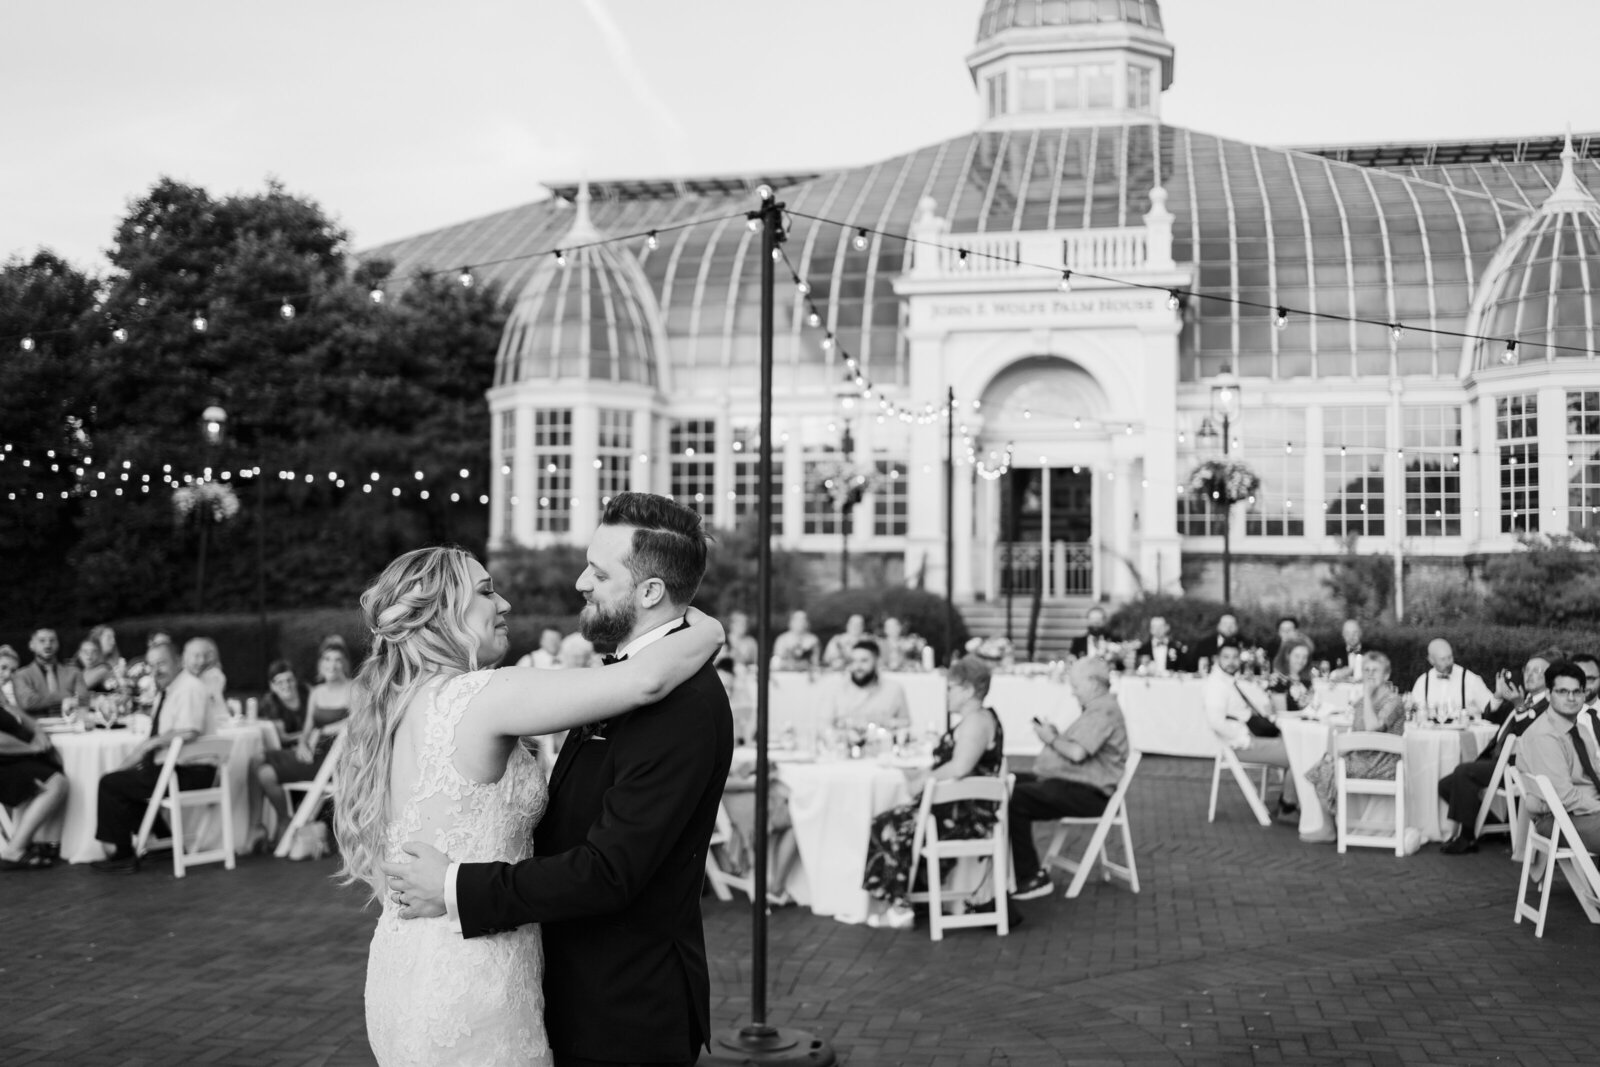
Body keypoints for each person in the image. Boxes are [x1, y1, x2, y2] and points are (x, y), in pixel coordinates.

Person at [377, 493, 734, 1066]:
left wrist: (454, 886)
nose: (578, 583)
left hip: (622, 1004)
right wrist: (706, 628)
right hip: (500, 974)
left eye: (598, 570)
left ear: (649, 592)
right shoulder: (526, 691)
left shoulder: (681, 702)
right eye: (488, 591)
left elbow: (611, 871)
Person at [863, 655, 1003, 926]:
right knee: (895, 820)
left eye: (951, 688)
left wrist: (923, 780)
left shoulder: (976, 722)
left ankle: (899, 905)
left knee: (887, 824)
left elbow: (960, 767)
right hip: (959, 806)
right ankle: (912, 897)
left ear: (969, 690)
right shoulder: (977, 719)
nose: (946, 694)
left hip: (966, 813)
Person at [90, 639, 224, 872]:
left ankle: (121, 855)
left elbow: (189, 730)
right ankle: (164, 844)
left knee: (110, 785)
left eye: (162, 663)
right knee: (123, 780)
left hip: (191, 771)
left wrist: (151, 744)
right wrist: (131, 761)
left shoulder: (189, 688)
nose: (156, 670)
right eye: (151, 666)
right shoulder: (170, 691)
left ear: (178, 661)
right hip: (175, 768)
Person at [1011, 656, 1129, 900]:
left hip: (1089, 792)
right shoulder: (1098, 709)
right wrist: (1055, 736)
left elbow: (1076, 753)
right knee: (1008, 783)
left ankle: (1030, 877)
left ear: (1093, 684)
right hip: (1076, 783)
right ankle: (1013, 872)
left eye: (1076, 686)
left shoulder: (1103, 711)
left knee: (1015, 799)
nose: (1073, 693)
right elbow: (1077, 748)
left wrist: (1050, 739)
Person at [1437, 650, 1555, 855]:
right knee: (1445, 785)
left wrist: (1519, 706)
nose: (1529, 674)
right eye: (1527, 669)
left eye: (1537, 670)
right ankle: (1495, 826)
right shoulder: (1523, 699)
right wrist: (1499, 697)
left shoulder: (1548, 704)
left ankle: (1467, 837)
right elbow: (1490, 718)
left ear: (1550, 677)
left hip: (1516, 767)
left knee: (1463, 773)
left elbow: (1529, 735)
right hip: (1498, 760)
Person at [254, 637, 354, 849]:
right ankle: (284, 818)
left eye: (337, 660)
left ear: (344, 663)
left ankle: (280, 824)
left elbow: (359, 720)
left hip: (335, 761)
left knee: (262, 762)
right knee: (263, 770)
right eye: (327, 659)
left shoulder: (355, 688)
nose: (332, 665)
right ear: (321, 664)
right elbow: (307, 730)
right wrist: (302, 746)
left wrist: (326, 729)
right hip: (314, 755)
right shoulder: (316, 692)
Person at [1303, 651, 1405, 821]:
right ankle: (1338, 820)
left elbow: (1372, 727)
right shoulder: (1361, 702)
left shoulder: (1393, 701)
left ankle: (1335, 822)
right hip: (1363, 759)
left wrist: (1366, 695)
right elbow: (1356, 733)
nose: (1370, 674)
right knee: (1323, 765)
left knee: (1324, 769)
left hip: (1384, 763)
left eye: (1375, 670)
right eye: (1366, 670)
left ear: (1386, 674)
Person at [1204, 638, 1299, 818]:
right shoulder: (1216, 686)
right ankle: (1288, 807)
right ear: (1217, 659)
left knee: (1298, 744)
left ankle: (1291, 801)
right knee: (1299, 752)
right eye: (1226, 657)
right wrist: (1243, 738)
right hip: (1241, 744)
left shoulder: (1231, 681)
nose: (1231, 662)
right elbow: (1216, 722)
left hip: (1251, 737)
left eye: (1234, 657)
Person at [1518, 660, 1600, 853]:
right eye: (1562, 691)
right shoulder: (1545, 736)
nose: (1571, 698)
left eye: (1577, 691)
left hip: (1583, 812)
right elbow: (1565, 798)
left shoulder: (1580, 730)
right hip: (1557, 820)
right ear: (1548, 694)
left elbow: (1595, 773)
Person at [0, 645, 68, 870]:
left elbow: (17, 714)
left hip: (12, 759)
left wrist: (38, 731)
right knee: (56, 784)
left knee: (54, 767)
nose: (7, 675)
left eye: (11, 670)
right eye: (3, 668)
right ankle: (14, 850)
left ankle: (41, 840)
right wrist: (31, 749)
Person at [829, 639, 910, 732]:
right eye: (853, 661)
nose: (857, 666)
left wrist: (883, 723)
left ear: (878, 661)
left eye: (864, 661)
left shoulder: (894, 689)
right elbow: (823, 725)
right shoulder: (837, 689)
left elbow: (905, 724)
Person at [1408, 640, 1494, 722]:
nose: (1448, 662)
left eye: (1450, 657)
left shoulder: (1470, 679)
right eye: (1443, 659)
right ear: (1431, 660)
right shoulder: (1422, 682)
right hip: (1431, 736)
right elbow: (1413, 710)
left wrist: (1498, 696)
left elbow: (1491, 706)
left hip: (1465, 735)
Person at [12, 629, 87, 717]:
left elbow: (83, 701)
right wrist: (67, 696)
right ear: (31, 645)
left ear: (58, 644)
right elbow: (28, 702)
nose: (48, 645)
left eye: (52, 640)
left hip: (70, 726)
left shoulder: (74, 673)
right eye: (42, 641)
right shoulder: (21, 675)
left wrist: (42, 699)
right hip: (37, 727)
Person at [256, 659, 309, 741]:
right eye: (280, 682)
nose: (286, 685)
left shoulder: (306, 692)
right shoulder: (269, 703)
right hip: (286, 749)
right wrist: (309, 735)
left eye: (289, 680)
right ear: (272, 686)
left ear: (296, 680)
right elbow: (282, 738)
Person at [1267, 635, 1316, 713]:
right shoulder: (1277, 681)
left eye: (1305, 657)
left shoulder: (1306, 679)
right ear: (1287, 655)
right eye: (1297, 656)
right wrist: (1306, 714)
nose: (1301, 661)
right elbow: (1281, 714)